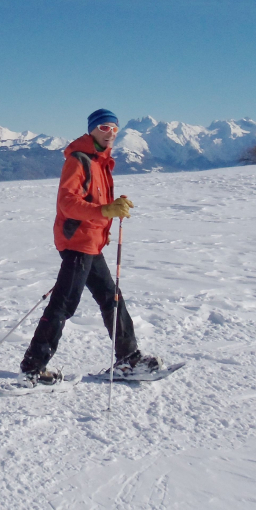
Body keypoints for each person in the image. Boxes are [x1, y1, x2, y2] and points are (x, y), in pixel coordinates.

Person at [17, 108, 161, 386]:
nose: (111, 133)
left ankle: (128, 359)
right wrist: (106, 210)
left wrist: (107, 212)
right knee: (63, 305)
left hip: (92, 244)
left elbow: (94, 204)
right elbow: (67, 204)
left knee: (111, 298)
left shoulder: (101, 162)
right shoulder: (78, 160)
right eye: (105, 127)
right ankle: (32, 368)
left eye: (115, 129)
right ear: (93, 129)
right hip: (77, 243)